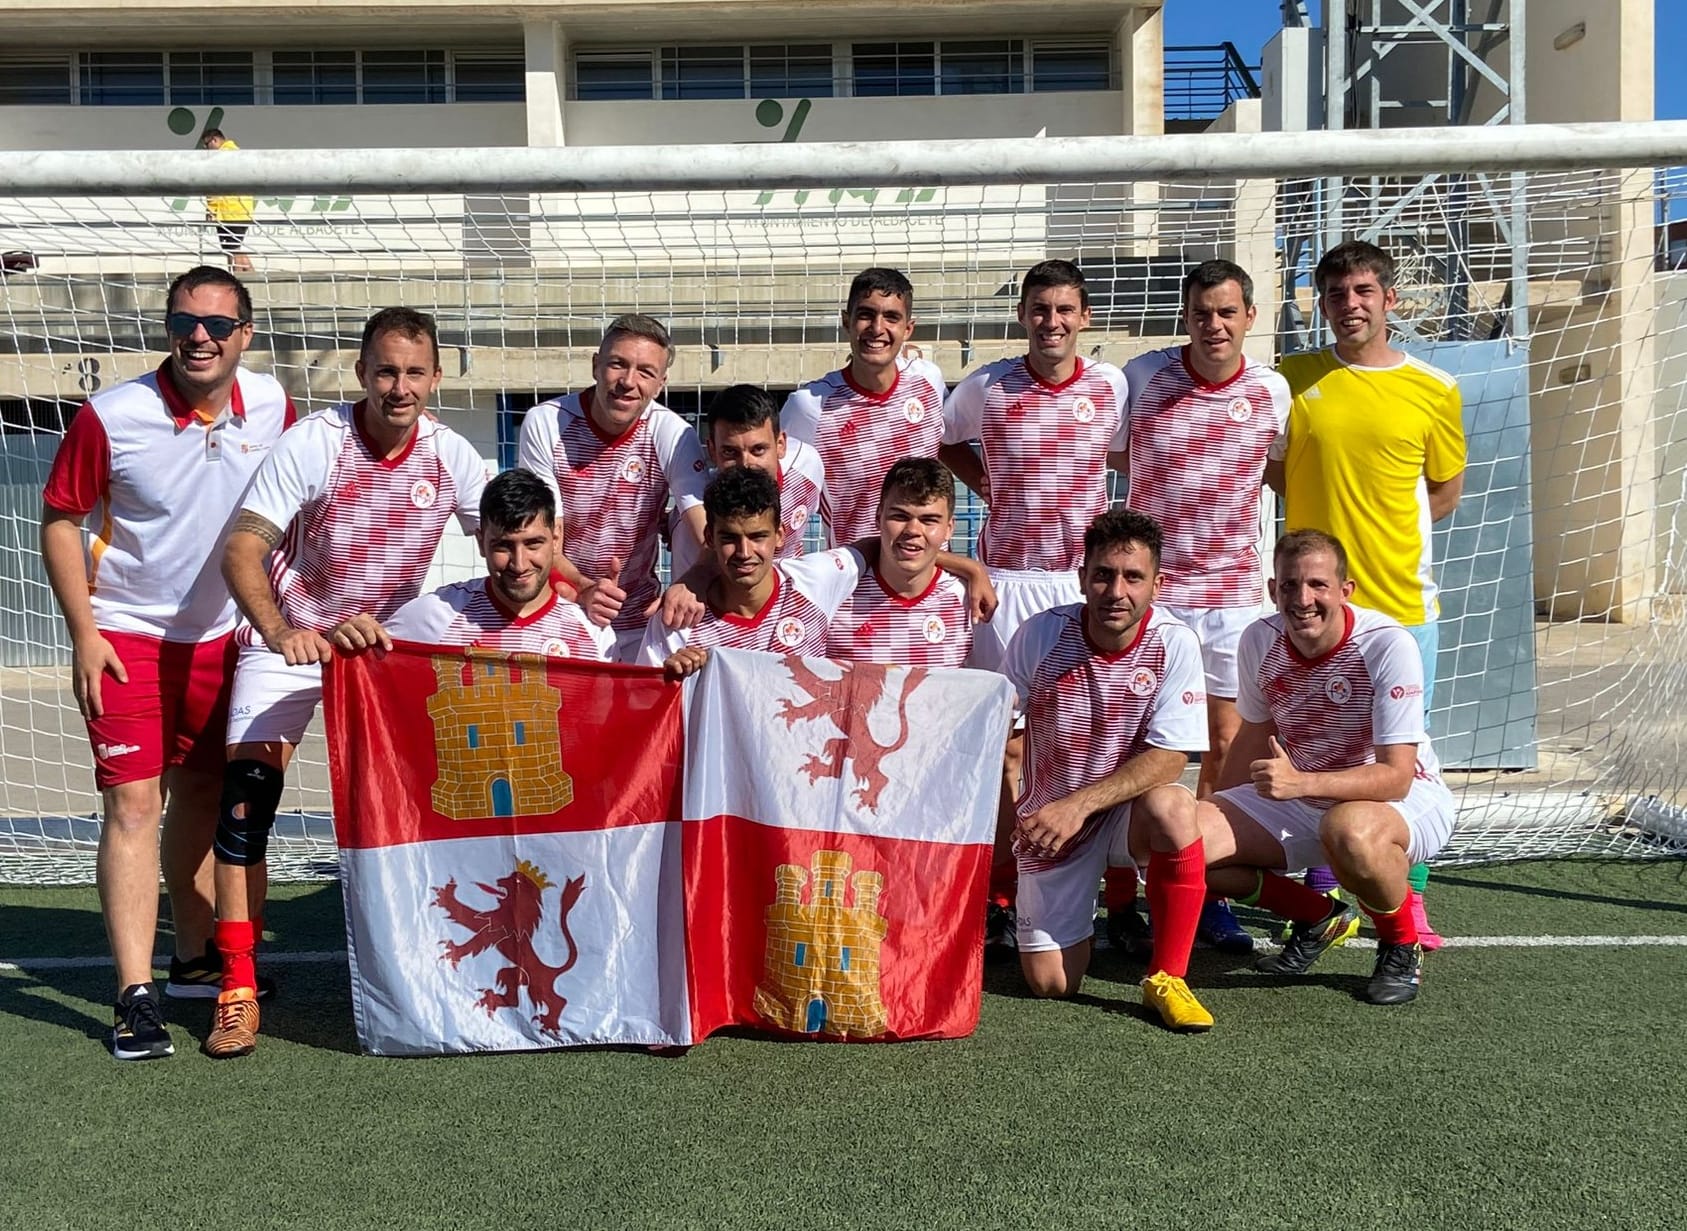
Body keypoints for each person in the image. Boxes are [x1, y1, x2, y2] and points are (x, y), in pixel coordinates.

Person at [206, 306, 487, 1058]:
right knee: (244, 804)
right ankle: (236, 986)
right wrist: (280, 632)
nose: (400, 386)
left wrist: (577, 588)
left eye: (414, 372)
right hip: (293, 640)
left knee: (434, 802)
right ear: (362, 373)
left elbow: (510, 537)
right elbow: (240, 549)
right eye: (386, 370)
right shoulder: (315, 442)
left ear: (435, 377)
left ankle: (439, 959)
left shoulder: (450, 454)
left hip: (378, 654)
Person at [39, 265, 293, 1059]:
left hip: (225, 638)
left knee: (206, 793)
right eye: (185, 322)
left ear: (244, 335)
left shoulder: (277, 405)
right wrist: (85, 631)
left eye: (218, 324)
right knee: (134, 806)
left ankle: (190, 958)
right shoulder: (112, 415)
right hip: (127, 639)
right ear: (168, 328)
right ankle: (134, 993)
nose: (200, 337)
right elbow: (59, 518)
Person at [1268, 240, 1467, 948]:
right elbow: (1272, 471)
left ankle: (1407, 904)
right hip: (1312, 612)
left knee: (1402, 763)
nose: (1348, 304)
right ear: (1318, 305)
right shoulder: (1290, 379)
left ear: (1387, 299)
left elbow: (1442, 490)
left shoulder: (1435, 388)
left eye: (1361, 291)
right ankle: (1321, 894)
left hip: (1401, 610)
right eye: (1333, 294)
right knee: (1310, 749)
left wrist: (1382, 534)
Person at [936, 258, 1130, 943]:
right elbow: (944, 442)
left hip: (1079, 584)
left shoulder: (1111, 386)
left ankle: (1110, 893)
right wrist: (987, 484)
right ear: (1022, 315)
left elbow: (1132, 455)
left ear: (1084, 317)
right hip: (1005, 581)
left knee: (1088, 743)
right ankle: (1000, 893)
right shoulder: (986, 386)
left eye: (1064, 310)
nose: (1052, 322)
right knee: (1004, 748)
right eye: (1039, 309)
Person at [1190, 530, 1456, 1005]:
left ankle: (1399, 945)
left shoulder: (1385, 644)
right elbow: (1255, 731)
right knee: (1181, 842)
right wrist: (1221, 812)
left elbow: (1395, 775)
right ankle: (1317, 915)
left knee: (1349, 830)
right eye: (1290, 585)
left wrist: (1301, 783)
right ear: (1273, 591)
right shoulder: (1260, 638)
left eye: (1317, 585)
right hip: (1303, 798)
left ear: (1344, 591)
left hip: (1399, 799)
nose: (1303, 599)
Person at [1111, 259, 1290, 955]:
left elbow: (1278, 472)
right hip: (1157, 595)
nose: (1212, 325)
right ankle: (1121, 895)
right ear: (1183, 318)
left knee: (1223, 748)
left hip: (1233, 599)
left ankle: (1205, 886)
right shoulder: (1141, 379)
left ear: (1247, 316)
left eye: (1225, 313)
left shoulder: (1272, 392)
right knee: (1134, 742)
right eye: (1199, 313)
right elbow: (1115, 455)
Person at [1001, 509, 1212, 1030]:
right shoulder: (1041, 636)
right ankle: (1093, 914)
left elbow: (1172, 757)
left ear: (1157, 585)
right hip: (1055, 823)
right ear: (1082, 578)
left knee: (1174, 805)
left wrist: (1080, 805)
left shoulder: (1174, 642)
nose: (1116, 591)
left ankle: (1169, 976)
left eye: (1133, 577)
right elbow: (996, 724)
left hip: (1118, 814)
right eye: (1103, 575)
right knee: (1050, 984)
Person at [641, 466, 993, 675]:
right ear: (709, 538)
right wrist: (671, 677)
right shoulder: (677, 617)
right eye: (730, 539)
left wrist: (971, 567)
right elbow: (644, 708)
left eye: (758, 536)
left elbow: (879, 547)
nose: (745, 552)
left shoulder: (815, 579)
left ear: (780, 536)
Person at [517, 314, 708, 659]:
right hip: (563, 608)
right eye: (617, 365)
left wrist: (689, 582)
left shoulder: (672, 433)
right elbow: (543, 537)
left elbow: (706, 532)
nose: (628, 382)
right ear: (595, 365)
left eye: (645, 372)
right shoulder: (546, 422)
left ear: (660, 383)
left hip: (640, 617)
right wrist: (585, 589)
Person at [333, 469, 614, 661]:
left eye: (532, 544)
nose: (519, 563)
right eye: (503, 545)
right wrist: (343, 635)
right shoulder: (437, 614)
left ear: (555, 540)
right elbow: (361, 659)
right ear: (481, 542)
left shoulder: (591, 631)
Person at [782, 268, 947, 547]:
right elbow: (776, 489)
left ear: (908, 328)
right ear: (847, 321)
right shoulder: (809, 407)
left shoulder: (928, 381)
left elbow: (949, 442)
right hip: (857, 582)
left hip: (931, 577)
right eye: (866, 314)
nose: (877, 328)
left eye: (891, 317)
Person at [825, 457, 972, 670]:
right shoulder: (834, 596)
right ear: (878, 517)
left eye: (929, 520)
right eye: (900, 516)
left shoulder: (970, 601)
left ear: (949, 528)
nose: (913, 530)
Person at [668, 383, 825, 580]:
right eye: (730, 452)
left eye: (758, 450)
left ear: (781, 444)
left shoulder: (807, 468)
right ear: (712, 451)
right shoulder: (692, 523)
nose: (746, 464)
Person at [199, 129, 255, 274]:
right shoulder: (238, 153)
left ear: (214, 140)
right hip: (241, 211)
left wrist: (211, 210)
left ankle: (238, 280)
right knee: (235, 249)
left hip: (228, 211)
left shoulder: (220, 158)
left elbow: (215, 186)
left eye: (206, 144)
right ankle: (251, 278)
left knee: (233, 251)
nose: (206, 149)